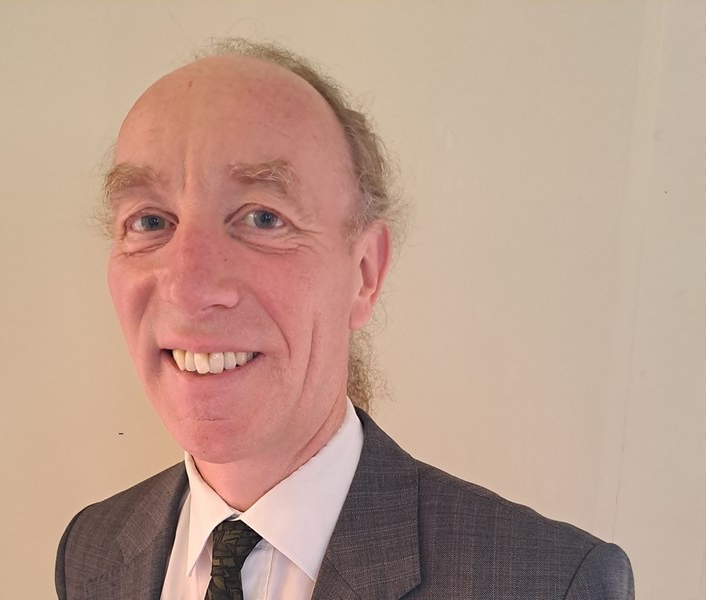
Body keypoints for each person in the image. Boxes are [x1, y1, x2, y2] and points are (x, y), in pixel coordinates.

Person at [56, 39, 634, 600]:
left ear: (364, 273)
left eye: (262, 218)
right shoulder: (91, 551)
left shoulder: (551, 583)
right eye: (150, 222)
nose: (188, 289)